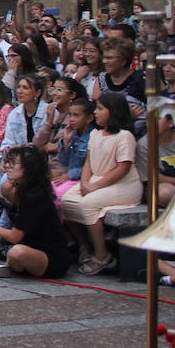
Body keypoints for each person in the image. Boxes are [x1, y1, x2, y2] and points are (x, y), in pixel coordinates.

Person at [60, 92, 141, 275]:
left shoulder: (124, 136)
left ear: (113, 112)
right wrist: (85, 182)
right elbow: (89, 161)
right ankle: (84, 245)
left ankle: (102, 255)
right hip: (96, 181)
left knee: (88, 204)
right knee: (66, 202)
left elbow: (123, 167)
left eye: (100, 109)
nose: (96, 112)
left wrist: (95, 186)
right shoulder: (96, 133)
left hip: (123, 185)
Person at [0, 146, 71, 280]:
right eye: (8, 162)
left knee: (16, 253)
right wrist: (1, 201)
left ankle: (4, 266)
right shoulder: (23, 190)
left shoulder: (34, 195)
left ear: (29, 167)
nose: (8, 167)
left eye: (14, 163)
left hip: (49, 256)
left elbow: (14, 237)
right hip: (26, 244)